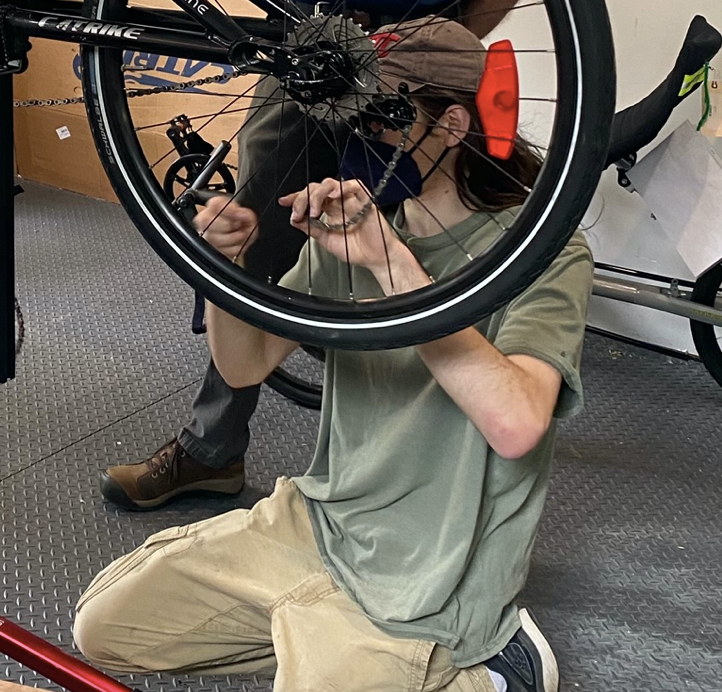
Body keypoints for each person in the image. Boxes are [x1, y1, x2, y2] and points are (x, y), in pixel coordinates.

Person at [73, 16, 593, 692]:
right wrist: (229, 271)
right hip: (321, 521)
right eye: (354, 117)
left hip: (436, 569)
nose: (362, 137)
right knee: (106, 626)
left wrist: (393, 267)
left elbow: (517, 424)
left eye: (384, 118)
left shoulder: (539, 251)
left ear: (454, 126)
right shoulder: (355, 223)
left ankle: (495, 669)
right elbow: (245, 365)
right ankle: (316, 634)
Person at [99, 0, 520, 511]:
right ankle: (212, 447)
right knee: (257, 222)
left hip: (421, 48)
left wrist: (441, 33)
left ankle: (443, 417)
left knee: (430, 215)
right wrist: (226, 270)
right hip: (310, 33)